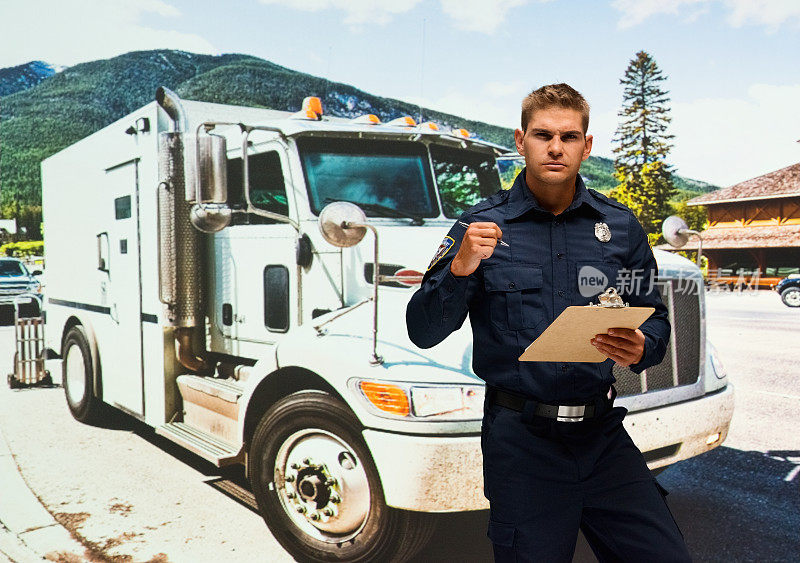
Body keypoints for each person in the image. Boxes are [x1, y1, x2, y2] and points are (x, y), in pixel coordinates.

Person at [406, 83, 692, 562]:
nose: (556, 147)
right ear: (521, 141)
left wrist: (644, 347)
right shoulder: (479, 227)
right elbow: (423, 329)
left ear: (587, 145)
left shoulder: (619, 226)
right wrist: (459, 268)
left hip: (602, 436)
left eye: (570, 136)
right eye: (543, 135)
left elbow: (656, 319)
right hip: (522, 444)